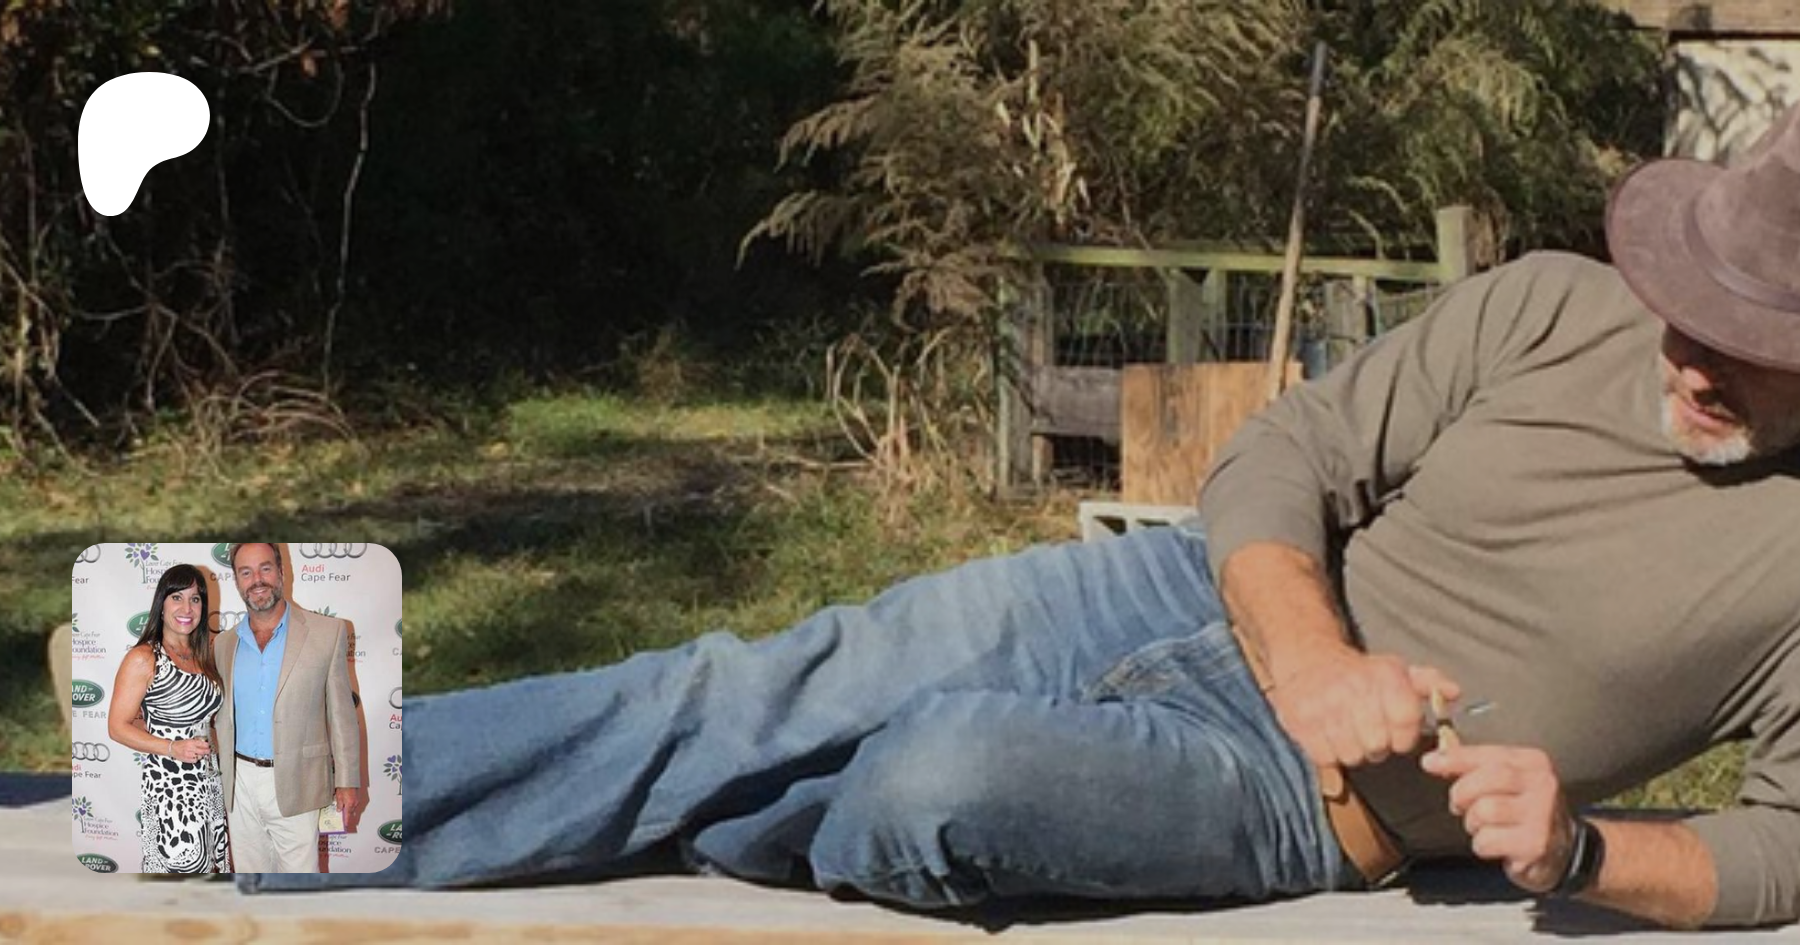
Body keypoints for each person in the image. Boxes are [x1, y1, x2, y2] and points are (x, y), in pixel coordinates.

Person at [238, 101, 1800, 930]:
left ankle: (697, 808)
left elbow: (1786, 846)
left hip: (1307, 804)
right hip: (1188, 592)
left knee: (937, 779)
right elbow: (1284, 457)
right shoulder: (1550, 305)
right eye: (1691, 301)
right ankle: (231, 791)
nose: (1692, 351)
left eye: (1747, 336)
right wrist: (1318, 656)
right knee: (752, 686)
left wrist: (1584, 850)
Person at [215, 542, 366, 872]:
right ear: (237, 581)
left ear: (282, 572)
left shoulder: (327, 633)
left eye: (265, 568)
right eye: (246, 572)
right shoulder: (223, 644)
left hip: (299, 781)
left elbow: (341, 715)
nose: (257, 580)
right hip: (238, 784)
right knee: (250, 878)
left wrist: (347, 780)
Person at [106, 563, 231, 873]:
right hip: (170, 788)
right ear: (161, 605)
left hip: (208, 780)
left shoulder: (204, 656)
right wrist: (172, 747)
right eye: (177, 597)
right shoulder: (145, 658)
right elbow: (117, 727)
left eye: (195, 599)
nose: (187, 608)